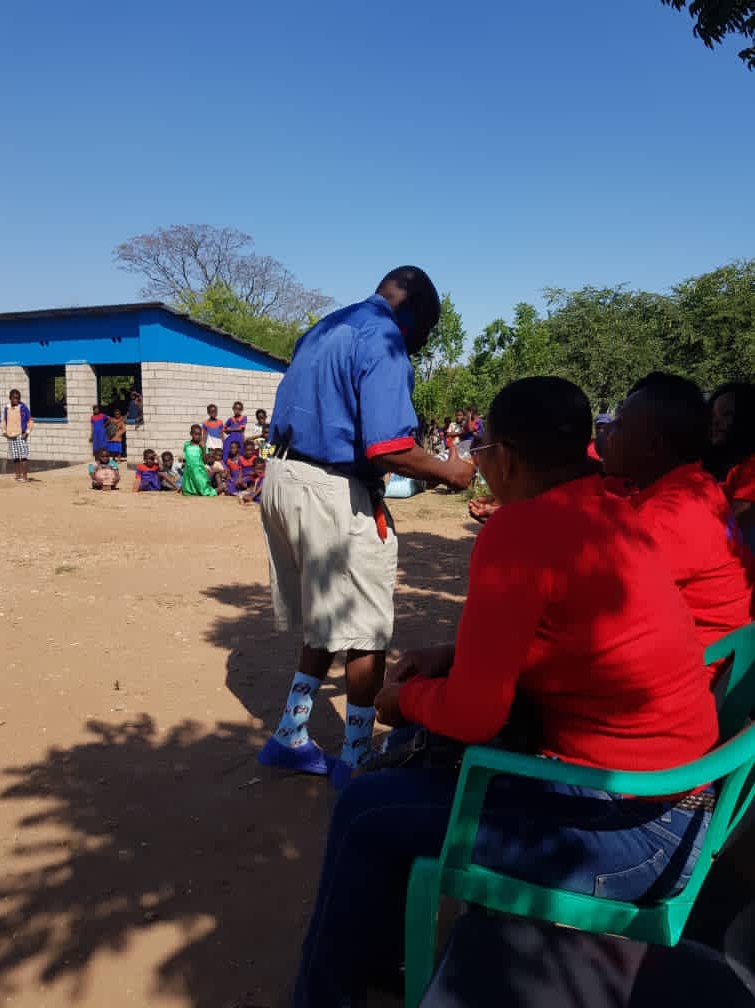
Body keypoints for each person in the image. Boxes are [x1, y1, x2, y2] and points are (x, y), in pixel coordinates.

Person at [293, 377, 719, 1007]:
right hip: (676, 811)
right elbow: (559, 636)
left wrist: (402, 700)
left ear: (509, 459)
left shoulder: (520, 531)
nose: (480, 463)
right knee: (420, 765)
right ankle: (375, 961)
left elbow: (472, 715)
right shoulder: (610, 508)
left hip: (631, 833)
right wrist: (451, 657)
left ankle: (328, 994)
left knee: (368, 807)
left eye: (483, 450)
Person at [256, 265, 474, 789]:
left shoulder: (329, 327)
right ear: (414, 313)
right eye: (425, 332)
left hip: (283, 477)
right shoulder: (384, 338)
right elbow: (388, 447)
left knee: (328, 617)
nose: (420, 344)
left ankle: (290, 734)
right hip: (331, 489)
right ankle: (356, 759)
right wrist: (449, 472)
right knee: (366, 630)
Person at [603, 372, 753, 676]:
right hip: (714, 656)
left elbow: (595, 609)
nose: (607, 433)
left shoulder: (668, 516)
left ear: (653, 445)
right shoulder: (695, 483)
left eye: (619, 424)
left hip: (698, 673)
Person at [707, 381, 755, 552]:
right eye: (713, 415)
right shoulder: (712, 462)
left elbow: (738, 521)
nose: (716, 422)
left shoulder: (751, 466)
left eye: (726, 414)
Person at [2, 388, 33, 482]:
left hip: (20, 435)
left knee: (23, 456)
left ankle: (25, 477)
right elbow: (5, 420)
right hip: (11, 436)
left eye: (18, 398)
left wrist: (27, 432)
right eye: (14, 398)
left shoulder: (23, 407)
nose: (16, 400)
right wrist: (4, 432)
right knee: (15, 457)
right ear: (10, 398)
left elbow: (30, 420)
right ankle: (18, 476)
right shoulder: (7, 408)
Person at [181, 424, 218, 497]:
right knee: (188, 492)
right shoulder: (186, 444)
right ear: (191, 434)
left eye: (200, 434)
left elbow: (205, 461)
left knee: (205, 491)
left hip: (198, 471)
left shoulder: (202, 445)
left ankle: (220, 488)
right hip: (189, 471)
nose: (198, 436)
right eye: (196, 434)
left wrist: (203, 449)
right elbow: (186, 458)